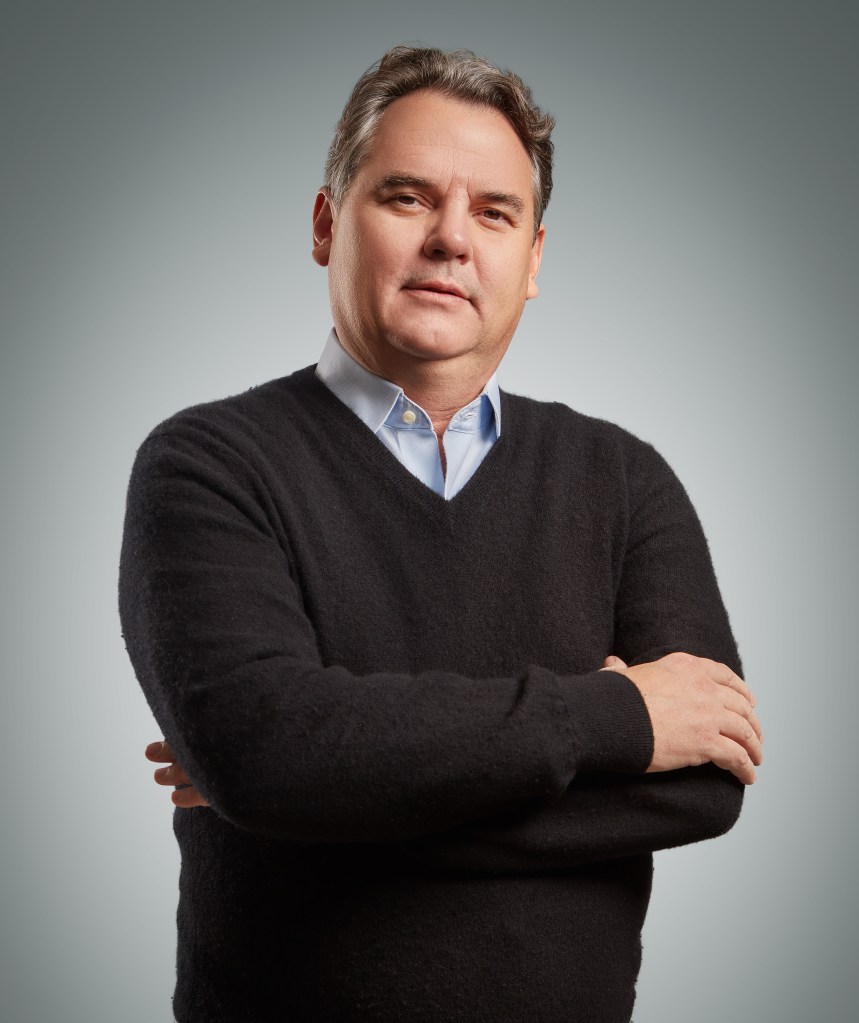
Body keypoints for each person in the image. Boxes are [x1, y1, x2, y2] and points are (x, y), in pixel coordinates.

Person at [120, 45, 762, 1023]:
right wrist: (614, 717)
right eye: (408, 197)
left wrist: (323, 798)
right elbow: (265, 754)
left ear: (532, 260)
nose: (451, 239)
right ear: (326, 223)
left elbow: (704, 784)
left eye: (494, 212)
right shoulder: (206, 464)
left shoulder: (626, 482)